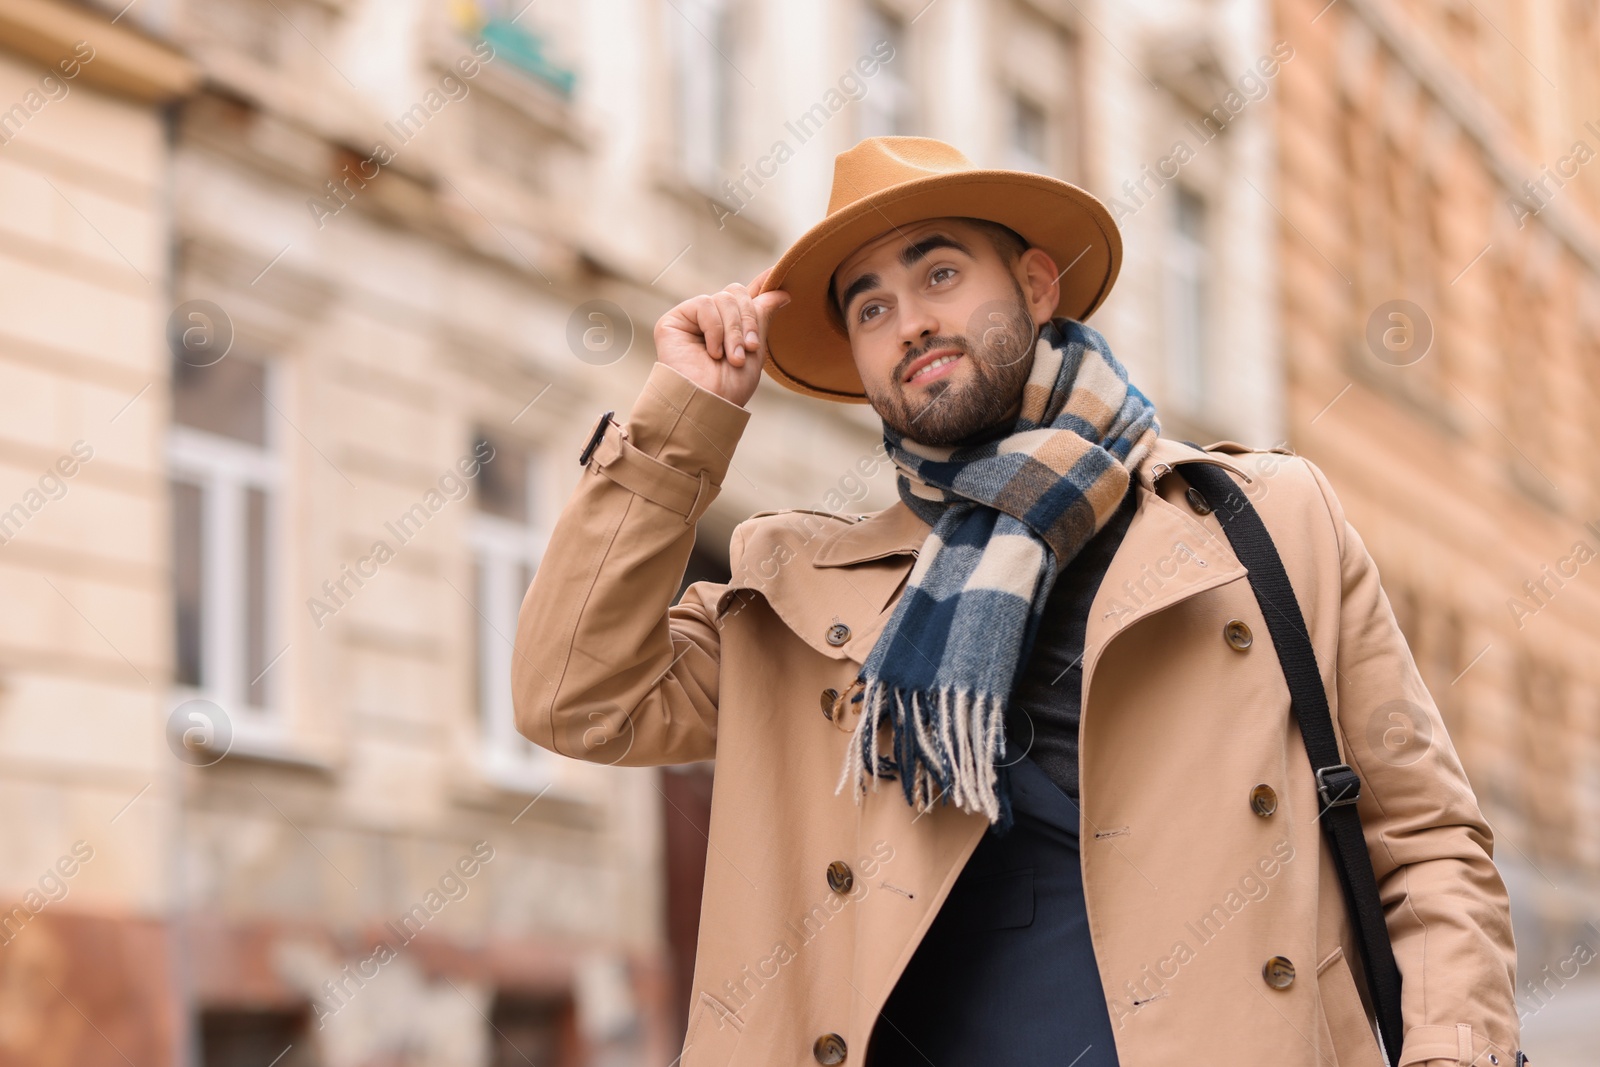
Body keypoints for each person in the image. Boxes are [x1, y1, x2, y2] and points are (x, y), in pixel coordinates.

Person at [513, 137, 1522, 1067]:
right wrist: (684, 415)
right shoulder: (795, 591)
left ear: (1036, 285)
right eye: (869, 307)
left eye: (940, 273)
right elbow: (576, 692)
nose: (908, 320)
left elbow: (1425, 839)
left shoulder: (1262, 523)